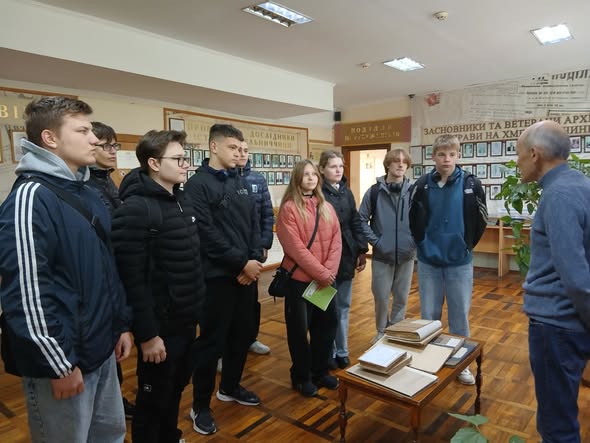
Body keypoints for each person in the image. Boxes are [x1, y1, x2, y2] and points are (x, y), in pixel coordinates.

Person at [0, 96, 132, 442]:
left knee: (110, 435)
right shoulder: (31, 198)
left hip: (101, 348)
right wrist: (57, 364)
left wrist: (120, 325)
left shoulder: (86, 192)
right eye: (83, 131)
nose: (95, 139)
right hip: (65, 360)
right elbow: (28, 294)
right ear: (50, 138)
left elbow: (107, 268)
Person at [111, 130, 206, 443]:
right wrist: (148, 335)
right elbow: (131, 280)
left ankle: (170, 436)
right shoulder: (136, 209)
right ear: (153, 163)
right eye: (178, 159)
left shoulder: (182, 200)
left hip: (185, 320)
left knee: (175, 388)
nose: (185, 165)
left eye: (185, 158)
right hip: (160, 327)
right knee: (153, 401)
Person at [185, 124, 263, 435]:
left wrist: (254, 259)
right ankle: (200, 405)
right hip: (217, 279)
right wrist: (242, 263)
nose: (238, 153)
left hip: (246, 276)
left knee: (241, 336)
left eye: (241, 148)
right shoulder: (197, 185)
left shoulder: (239, 180)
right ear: (214, 147)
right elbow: (205, 234)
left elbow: (253, 224)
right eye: (232, 147)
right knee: (211, 343)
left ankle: (229, 387)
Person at [517, 121, 590, 443]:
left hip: (557, 326)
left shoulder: (558, 195)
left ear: (535, 154)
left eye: (519, 154)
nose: (517, 162)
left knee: (556, 425)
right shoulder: (581, 185)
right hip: (570, 323)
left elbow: (575, 275)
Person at [409, 134, 487, 385]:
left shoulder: (471, 184)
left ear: (458, 156)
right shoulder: (422, 184)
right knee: (429, 316)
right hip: (428, 260)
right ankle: (429, 361)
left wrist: (466, 245)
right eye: (441, 154)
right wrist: (422, 243)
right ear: (433, 156)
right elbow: (413, 218)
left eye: (451, 154)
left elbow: (481, 219)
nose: (446, 159)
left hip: (459, 262)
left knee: (459, 315)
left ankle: (461, 364)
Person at [276, 159, 342, 397]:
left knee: (326, 327)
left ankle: (320, 371)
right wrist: (322, 273)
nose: (312, 178)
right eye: (306, 174)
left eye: (314, 174)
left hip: (324, 281)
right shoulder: (289, 209)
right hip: (300, 282)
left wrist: (328, 272)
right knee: (299, 332)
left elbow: (336, 241)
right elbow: (296, 249)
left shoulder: (326, 207)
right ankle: (301, 376)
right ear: (297, 178)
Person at [88, 121, 135, 419]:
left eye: (114, 145)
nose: (112, 151)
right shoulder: (88, 186)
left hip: (117, 275)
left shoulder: (107, 180)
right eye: (105, 145)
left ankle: (114, 401)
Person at [358, 148, 416, 344]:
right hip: (382, 255)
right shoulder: (374, 192)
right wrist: (376, 242)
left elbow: (423, 220)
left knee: (401, 297)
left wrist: (413, 242)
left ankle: (397, 330)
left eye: (404, 162)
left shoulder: (414, 191)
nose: (400, 164)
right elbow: (361, 220)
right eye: (396, 161)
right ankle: (381, 331)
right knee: (381, 297)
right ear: (388, 164)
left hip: (407, 255)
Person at [319, 150, 368, 369]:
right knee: (325, 306)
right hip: (325, 256)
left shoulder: (346, 192)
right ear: (322, 169)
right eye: (333, 166)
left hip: (347, 254)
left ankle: (342, 350)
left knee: (343, 306)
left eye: (340, 166)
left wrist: (361, 249)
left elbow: (355, 221)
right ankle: (327, 351)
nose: (338, 170)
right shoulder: (317, 193)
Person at [237, 141, 274, 355]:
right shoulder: (225, 179)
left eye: (245, 150)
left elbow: (267, 214)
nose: (242, 154)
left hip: (254, 248)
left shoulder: (257, 179)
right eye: (237, 150)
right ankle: (223, 349)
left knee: (252, 299)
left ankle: (250, 338)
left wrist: (264, 243)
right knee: (229, 303)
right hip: (233, 252)